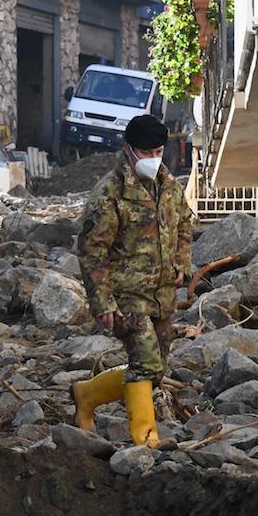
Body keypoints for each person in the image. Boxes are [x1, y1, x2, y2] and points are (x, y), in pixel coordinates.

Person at [70, 114, 193, 447]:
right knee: (147, 360)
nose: (154, 159)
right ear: (128, 150)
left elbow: (184, 224)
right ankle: (146, 440)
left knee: (154, 368)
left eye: (158, 151)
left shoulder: (169, 185)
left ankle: (87, 395)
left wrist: (182, 261)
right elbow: (92, 252)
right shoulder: (109, 194)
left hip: (161, 294)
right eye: (147, 152)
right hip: (125, 295)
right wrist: (102, 301)